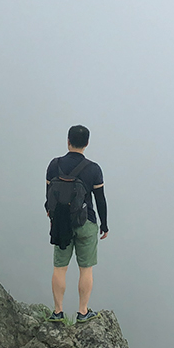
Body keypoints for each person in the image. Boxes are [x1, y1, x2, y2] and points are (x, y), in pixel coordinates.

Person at [45, 124, 108, 323]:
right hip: (86, 222)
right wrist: (104, 225)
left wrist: (52, 217)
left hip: (61, 223)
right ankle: (82, 312)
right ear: (87, 143)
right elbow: (100, 200)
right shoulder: (93, 169)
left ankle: (57, 312)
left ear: (68, 141)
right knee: (86, 268)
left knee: (60, 267)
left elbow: (49, 196)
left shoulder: (54, 165)